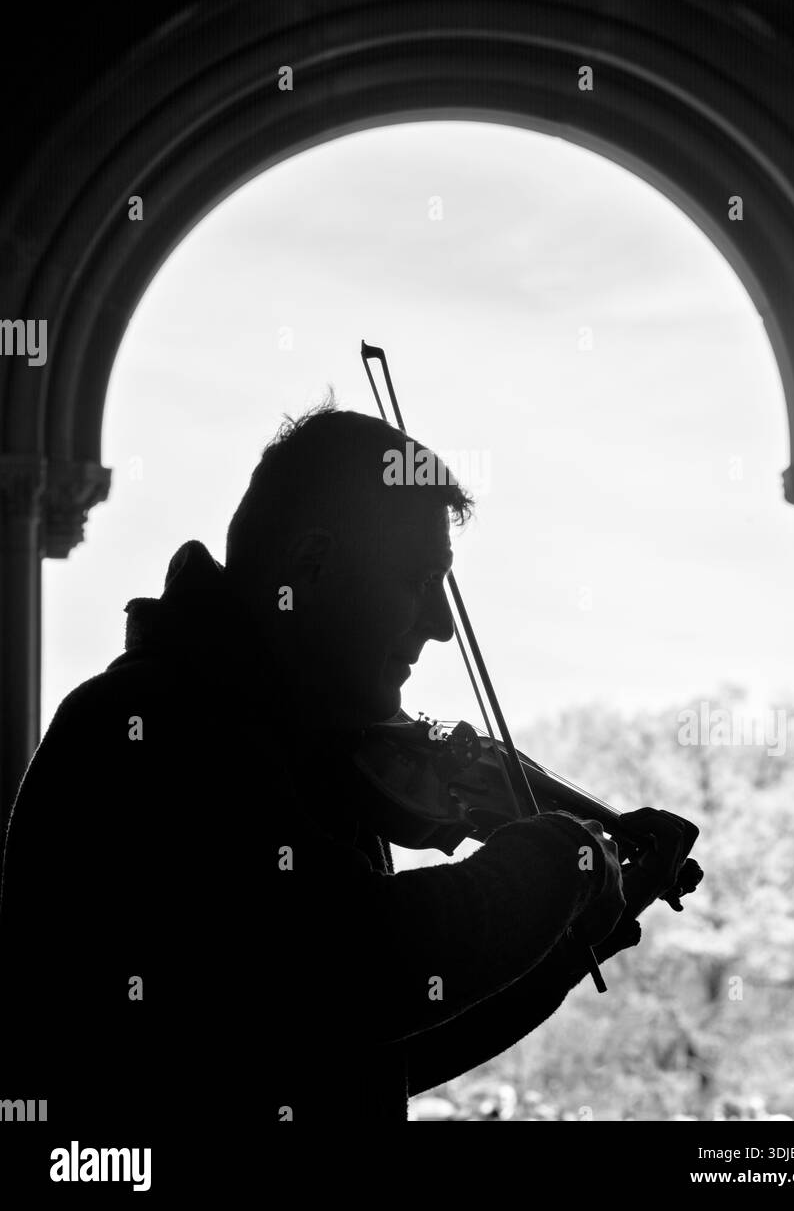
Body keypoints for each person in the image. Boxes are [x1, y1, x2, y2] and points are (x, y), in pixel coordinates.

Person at [0, 398, 689, 1151]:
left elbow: (368, 1052)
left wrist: (565, 940)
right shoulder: (148, 725)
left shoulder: (305, 747)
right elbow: (355, 964)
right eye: (419, 580)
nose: (440, 624)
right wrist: (562, 858)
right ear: (309, 566)